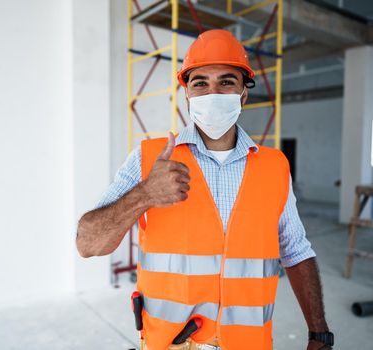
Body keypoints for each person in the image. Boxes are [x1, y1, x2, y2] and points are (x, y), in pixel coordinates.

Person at [76, 29, 333, 350]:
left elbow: (296, 251)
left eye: (226, 81)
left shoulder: (274, 166)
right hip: (171, 344)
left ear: (243, 94)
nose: (213, 92)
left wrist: (319, 332)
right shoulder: (149, 159)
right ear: (187, 93)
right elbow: (88, 244)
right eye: (200, 83)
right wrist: (144, 194)